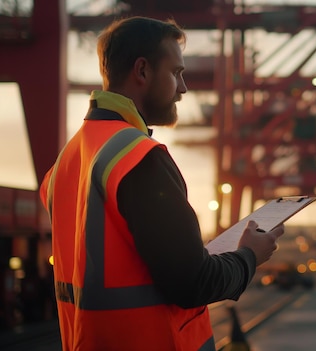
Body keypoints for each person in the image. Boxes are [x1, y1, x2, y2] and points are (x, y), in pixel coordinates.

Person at [39, 16, 284, 351]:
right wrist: (248, 256)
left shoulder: (67, 161)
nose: (183, 88)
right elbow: (192, 284)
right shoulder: (139, 158)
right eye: (176, 73)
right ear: (142, 71)